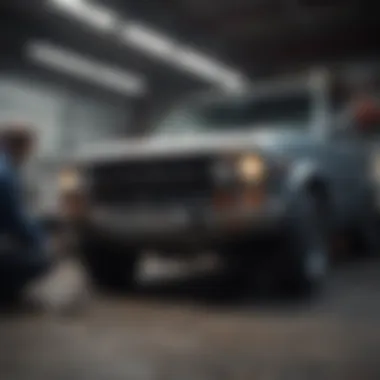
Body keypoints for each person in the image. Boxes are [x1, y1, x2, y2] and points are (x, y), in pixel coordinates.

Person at [0, 122, 51, 304]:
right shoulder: (5, 174)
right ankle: (6, 297)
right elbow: (16, 221)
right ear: (21, 147)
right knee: (42, 258)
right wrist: (42, 240)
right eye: (30, 147)